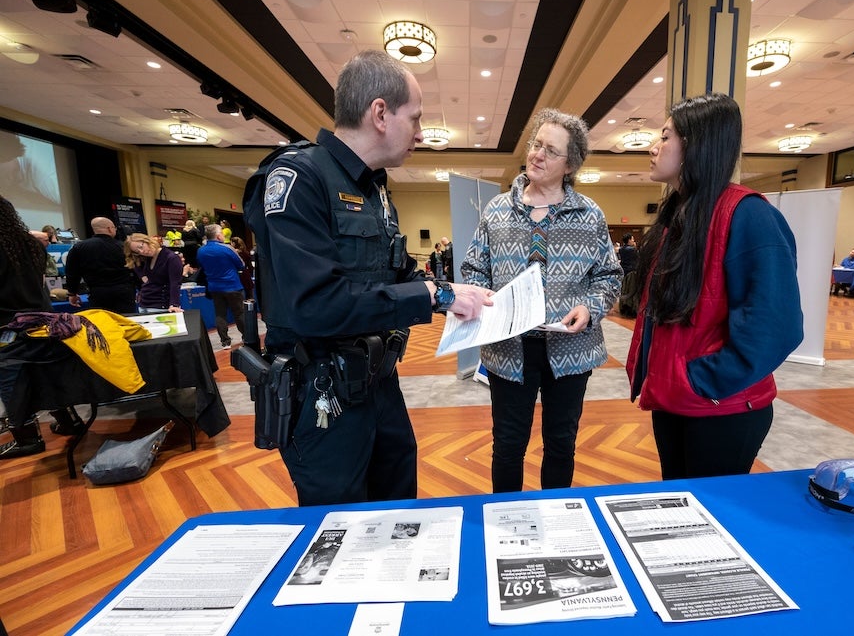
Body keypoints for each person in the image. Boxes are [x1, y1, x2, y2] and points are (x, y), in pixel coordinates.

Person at [246, 49, 492, 506]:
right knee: (338, 527)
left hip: (378, 382)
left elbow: (392, 272)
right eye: (415, 119)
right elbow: (318, 304)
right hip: (323, 394)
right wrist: (433, 296)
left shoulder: (375, 188)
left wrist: (452, 291)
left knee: (399, 511)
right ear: (380, 113)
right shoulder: (299, 177)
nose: (421, 133)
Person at [626, 93, 803, 480]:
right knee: (678, 503)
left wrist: (700, 380)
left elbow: (776, 326)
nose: (653, 148)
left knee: (709, 519)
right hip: (674, 398)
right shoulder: (680, 213)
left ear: (697, 144)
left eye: (666, 137)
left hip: (720, 405)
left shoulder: (749, 215)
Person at [462, 107, 622, 493]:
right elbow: (473, 268)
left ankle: (557, 516)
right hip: (508, 349)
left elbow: (610, 277)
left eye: (551, 151)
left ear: (570, 164)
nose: (537, 154)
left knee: (561, 444)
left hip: (570, 350)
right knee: (507, 446)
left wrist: (591, 307)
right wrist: (485, 295)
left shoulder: (589, 215)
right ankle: (504, 520)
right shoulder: (498, 209)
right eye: (537, 144)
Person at [0, 194, 53, 459]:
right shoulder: (31, 244)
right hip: (40, 317)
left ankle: (27, 439)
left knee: (11, 381)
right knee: (47, 373)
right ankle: (70, 421)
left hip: (8, 324)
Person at [63, 217, 136, 314]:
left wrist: (72, 293)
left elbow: (72, 272)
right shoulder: (123, 247)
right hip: (124, 292)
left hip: (97, 293)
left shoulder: (79, 247)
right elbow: (134, 269)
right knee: (126, 322)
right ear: (110, 228)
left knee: (102, 323)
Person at [196, 224, 245, 349]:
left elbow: (201, 265)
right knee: (239, 313)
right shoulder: (226, 248)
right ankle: (246, 336)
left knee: (220, 314)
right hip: (232, 285)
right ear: (218, 236)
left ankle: (225, 341)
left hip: (214, 287)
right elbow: (241, 264)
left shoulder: (201, 250)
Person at [124, 233, 183, 313]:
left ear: (147, 241)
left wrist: (174, 304)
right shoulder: (146, 259)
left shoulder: (171, 258)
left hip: (161, 304)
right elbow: (132, 261)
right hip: (144, 303)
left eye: (141, 247)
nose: (142, 251)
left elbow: (175, 283)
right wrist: (142, 276)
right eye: (137, 251)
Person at [230, 236, 255, 301]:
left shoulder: (233, 254)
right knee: (250, 298)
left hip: (238, 279)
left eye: (231, 243)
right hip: (247, 278)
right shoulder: (246, 253)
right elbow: (250, 267)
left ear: (234, 244)